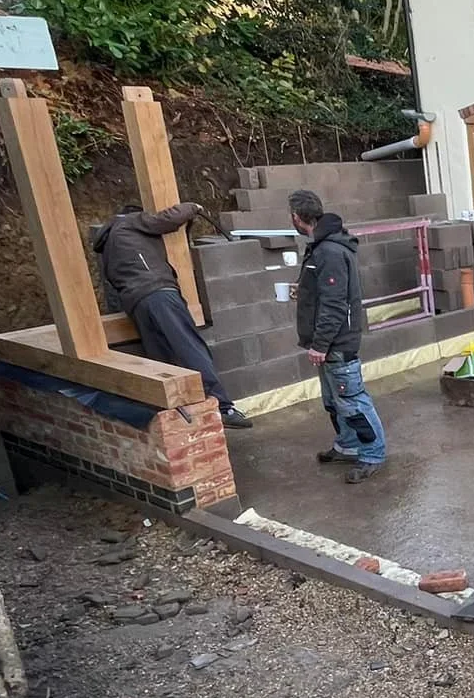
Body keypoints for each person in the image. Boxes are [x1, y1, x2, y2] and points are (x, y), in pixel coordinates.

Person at [92, 202, 250, 429]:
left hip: (136, 304)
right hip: (159, 293)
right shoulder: (129, 221)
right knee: (190, 348)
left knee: (163, 359)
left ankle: (181, 415)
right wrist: (192, 207)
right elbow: (165, 220)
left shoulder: (108, 245)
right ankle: (223, 408)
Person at [289, 189, 385, 483]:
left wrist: (319, 345)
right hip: (329, 344)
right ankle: (348, 445)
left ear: (296, 217)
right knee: (334, 401)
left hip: (336, 343)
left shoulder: (329, 250)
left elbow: (334, 303)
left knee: (352, 401)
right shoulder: (321, 246)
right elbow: (325, 292)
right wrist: (302, 291)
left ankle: (373, 454)